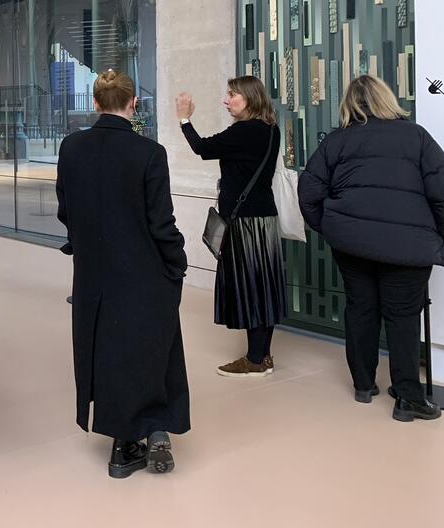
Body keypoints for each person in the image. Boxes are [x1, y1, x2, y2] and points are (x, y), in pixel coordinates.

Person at [298, 75, 444, 421]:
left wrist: (331, 228)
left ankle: (363, 385)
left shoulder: (337, 141)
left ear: (349, 104)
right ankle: (408, 399)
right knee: (403, 317)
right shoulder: (416, 137)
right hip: (408, 247)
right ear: (387, 99)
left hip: (352, 244)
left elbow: (308, 191)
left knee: (360, 308)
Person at [56, 70, 189, 478]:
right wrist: (177, 261)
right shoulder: (149, 153)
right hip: (142, 269)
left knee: (106, 349)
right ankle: (150, 430)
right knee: (153, 348)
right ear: (133, 103)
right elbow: (161, 222)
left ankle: (123, 443)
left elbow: (66, 209)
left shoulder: (71, 147)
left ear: (96, 103)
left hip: (93, 271)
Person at [176, 76, 285, 376]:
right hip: (265, 218)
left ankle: (254, 359)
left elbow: (202, 147)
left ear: (250, 98)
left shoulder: (244, 131)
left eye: (233, 95)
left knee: (250, 288)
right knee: (264, 287)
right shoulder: (270, 129)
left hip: (244, 222)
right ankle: (263, 356)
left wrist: (184, 119)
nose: (226, 100)